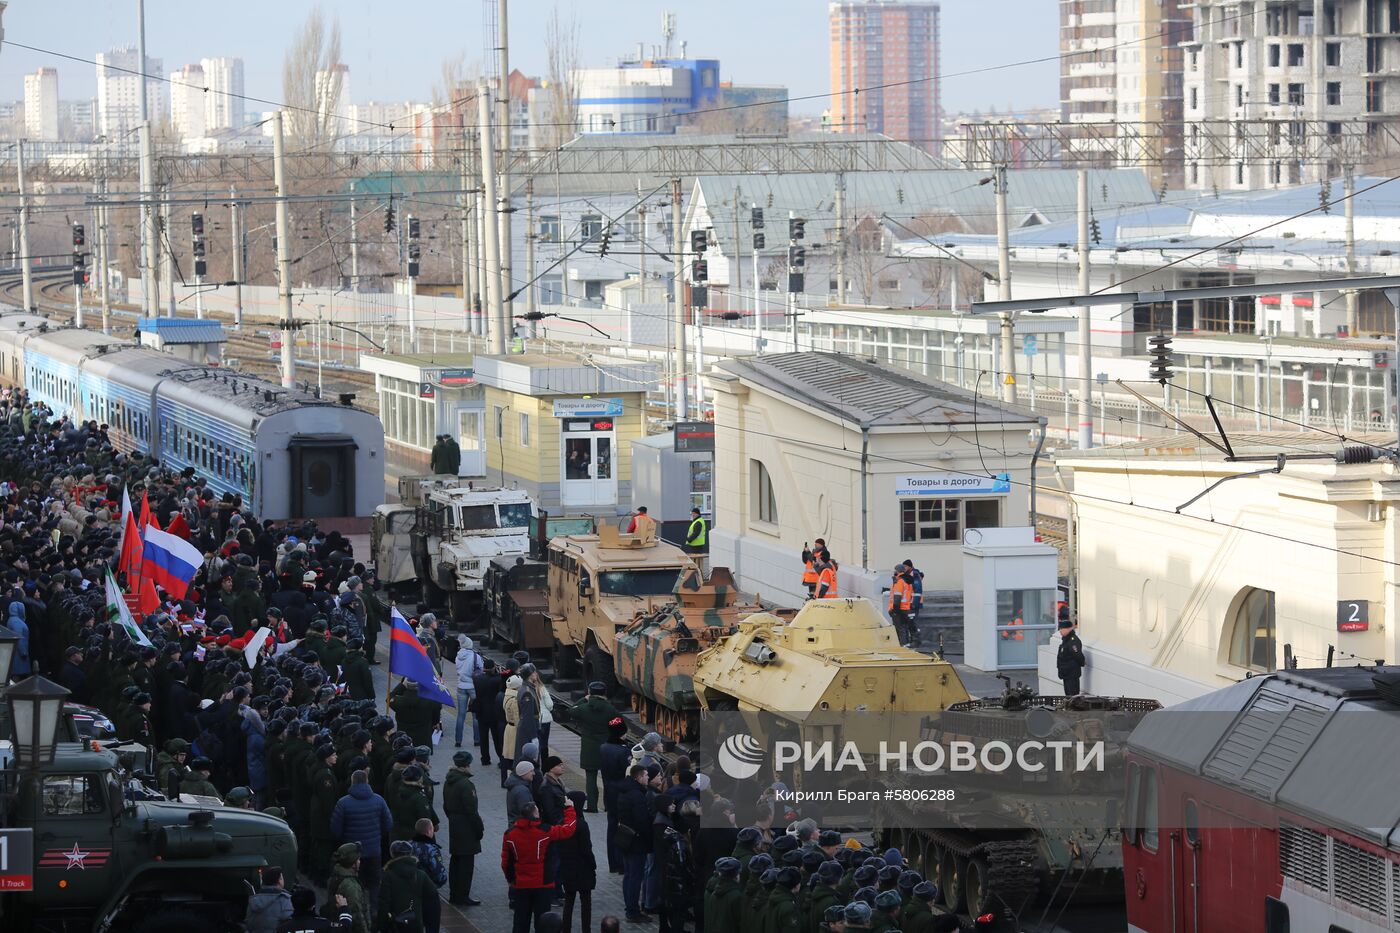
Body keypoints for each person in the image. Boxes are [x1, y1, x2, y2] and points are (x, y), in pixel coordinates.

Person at [503, 799, 578, 933]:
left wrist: (511, 880)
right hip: (543, 883)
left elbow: (506, 861)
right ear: (535, 815)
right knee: (543, 921)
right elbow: (568, 829)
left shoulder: (510, 834)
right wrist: (570, 809)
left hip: (521, 884)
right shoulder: (545, 831)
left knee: (520, 921)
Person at [330, 770, 392, 907]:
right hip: (374, 851)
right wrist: (377, 836)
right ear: (367, 781)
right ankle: (375, 913)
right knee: (375, 884)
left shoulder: (343, 803)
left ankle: (358, 912)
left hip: (352, 854)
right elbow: (388, 824)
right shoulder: (379, 800)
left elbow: (335, 830)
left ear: (352, 782)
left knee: (356, 884)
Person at [442, 750, 484, 906]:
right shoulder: (466, 784)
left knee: (455, 860)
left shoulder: (449, 781)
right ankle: (463, 895)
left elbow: (445, 805)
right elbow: (471, 811)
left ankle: (454, 894)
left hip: (454, 824)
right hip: (466, 827)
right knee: (466, 864)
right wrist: (479, 829)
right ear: (467, 765)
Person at [572, 681, 619, 813]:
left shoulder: (584, 708)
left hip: (589, 747)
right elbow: (619, 724)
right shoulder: (611, 709)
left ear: (589, 692)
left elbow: (571, 710)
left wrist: (583, 699)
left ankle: (592, 806)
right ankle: (608, 806)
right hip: (607, 747)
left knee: (591, 777)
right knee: (607, 778)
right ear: (605, 693)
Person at [617, 765, 653, 923]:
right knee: (635, 877)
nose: (648, 778)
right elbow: (642, 820)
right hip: (636, 841)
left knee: (629, 875)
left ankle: (629, 908)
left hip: (625, 838)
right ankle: (633, 911)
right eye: (646, 775)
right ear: (638, 777)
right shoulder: (637, 796)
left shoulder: (625, 792)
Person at [557, 790, 596, 933]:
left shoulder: (562, 823)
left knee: (569, 901)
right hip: (583, 868)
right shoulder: (581, 825)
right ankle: (586, 930)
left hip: (568, 868)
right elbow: (586, 849)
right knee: (586, 903)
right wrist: (593, 865)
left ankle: (566, 929)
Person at [378, 839, 436, 933]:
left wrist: (380, 925)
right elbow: (433, 899)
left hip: (394, 924)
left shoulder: (387, 876)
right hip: (415, 923)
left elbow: (384, 903)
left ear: (392, 855)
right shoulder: (420, 874)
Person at [409, 818, 447, 933]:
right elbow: (440, 874)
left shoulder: (408, 845)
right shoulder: (431, 849)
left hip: (410, 891)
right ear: (429, 831)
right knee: (432, 924)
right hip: (428, 891)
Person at [326, 844, 372, 933]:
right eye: (358, 859)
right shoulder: (350, 885)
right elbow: (357, 915)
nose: (360, 861)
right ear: (352, 863)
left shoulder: (336, 875)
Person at [275, 886, 355, 933]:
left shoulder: (283, 929)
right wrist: (344, 908)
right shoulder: (324, 925)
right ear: (313, 906)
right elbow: (345, 928)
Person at [245, 866, 294, 933]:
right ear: (279, 881)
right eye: (282, 878)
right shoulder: (285, 900)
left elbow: (248, 924)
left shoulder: (253, 901)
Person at [453, 635, 482, 748]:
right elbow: (481, 669)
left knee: (461, 715)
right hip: (473, 687)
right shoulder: (476, 656)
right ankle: (477, 740)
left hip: (461, 686)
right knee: (475, 715)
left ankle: (458, 741)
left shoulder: (458, 656)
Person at [887, 564, 916, 648]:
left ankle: (902, 647)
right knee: (904, 629)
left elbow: (897, 596)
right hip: (906, 608)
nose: (894, 571)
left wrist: (894, 610)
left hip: (899, 609)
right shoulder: (908, 581)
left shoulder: (900, 581)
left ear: (898, 571)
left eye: (895, 570)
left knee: (899, 629)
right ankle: (906, 645)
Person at [1056, 618, 1086, 696]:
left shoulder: (1073, 641)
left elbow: (1078, 655)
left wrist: (1081, 663)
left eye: (1062, 629)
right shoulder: (1066, 640)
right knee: (1068, 695)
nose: (1060, 631)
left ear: (1069, 629)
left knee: (1073, 695)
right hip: (1066, 674)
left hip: (1071, 674)